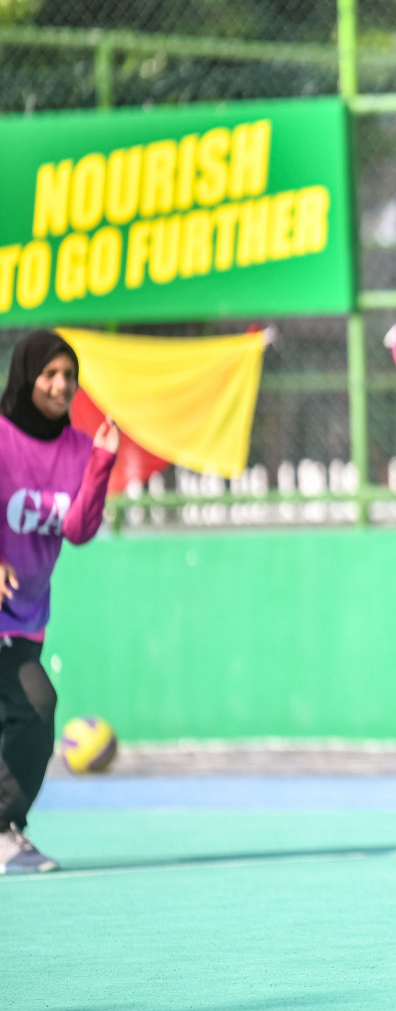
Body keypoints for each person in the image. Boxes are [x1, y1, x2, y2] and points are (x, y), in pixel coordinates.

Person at [0, 331, 118, 873]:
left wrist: (100, 465)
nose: (60, 385)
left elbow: (77, 528)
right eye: (49, 374)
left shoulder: (75, 449)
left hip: (24, 616)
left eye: (68, 375)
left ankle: (6, 829)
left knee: (31, 710)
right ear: (27, 377)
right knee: (33, 703)